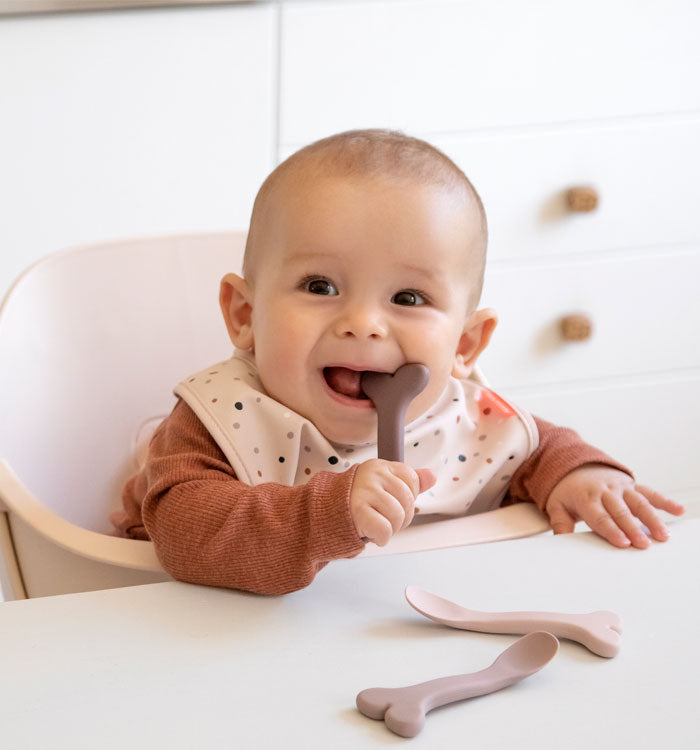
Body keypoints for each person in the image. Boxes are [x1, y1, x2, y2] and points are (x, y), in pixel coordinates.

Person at [112, 129, 684, 595]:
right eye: (320, 285)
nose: (363, 322)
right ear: (243, 314)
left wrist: (583, 476)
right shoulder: (220, 420)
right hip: (204, 636)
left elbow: (538, 449)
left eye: (408, 299)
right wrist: (329, 514)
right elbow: (186, 534)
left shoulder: (468, 419)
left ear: (464, 346)